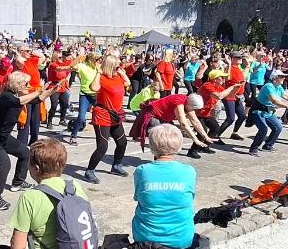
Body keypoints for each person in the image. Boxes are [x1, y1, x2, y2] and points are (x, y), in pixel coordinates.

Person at [0, 72, 52, 210]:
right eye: (26, 84)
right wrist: (37, 91)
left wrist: (50, 91)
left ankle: (18, 182)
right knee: (4, 164)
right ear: (17, 85)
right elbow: (18, 102)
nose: (28, 86)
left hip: (3, 137)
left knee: (25, 152)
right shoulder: (6, 96)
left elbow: (37, 100)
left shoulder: (19, 96)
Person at [130, 124, 198, 249]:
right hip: (181, 239)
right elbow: (189, 198)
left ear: (152, 146)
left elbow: (137, 197)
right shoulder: (189, 171)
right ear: (178, 145)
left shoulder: (142, 171)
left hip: (145, 236)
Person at [84, 55, 131, 183]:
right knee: (102, 146)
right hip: (102, 115)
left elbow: (128, 83)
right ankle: (89, 171)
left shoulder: (118, 77)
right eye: (116, 66)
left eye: (119, 66)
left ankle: (116, 166)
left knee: (122, 142)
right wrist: (99, 73)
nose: (119, 68)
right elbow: (94, 88)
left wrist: (121, 72)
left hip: (115, 115)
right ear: (110, 67)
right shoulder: (102, 78)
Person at [248, 69, 288, 157]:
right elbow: (274, 101)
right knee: (263, 129)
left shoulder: (278, 87)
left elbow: (286, 96)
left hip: (268, 112)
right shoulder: (268, 86)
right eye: (281, 77)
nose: (284, 78)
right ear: (275, 78)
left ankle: (268, 145)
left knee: (278, 127)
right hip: (258, 111)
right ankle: (253, 149)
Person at [142, 91, 214, 157]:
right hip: (153, 114)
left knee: (166, 138)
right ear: (189, 104)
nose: (194, 110)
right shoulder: (179, 103)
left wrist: (205, 136)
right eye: (193, 108)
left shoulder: (189, 101)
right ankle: (159, 161)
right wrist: (195, 140)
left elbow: (195, 121)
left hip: (163, 116)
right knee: (161, 139)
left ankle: (162, 160)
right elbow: (183, 124)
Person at [66, 51, 101, 145]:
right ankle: (73, 136)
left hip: (96, 95)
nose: (98, 61)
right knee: (81, 117)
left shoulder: (99, 67)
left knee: (100, 116)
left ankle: (102, 135)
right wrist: (78, 57)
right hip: (85, 95)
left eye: (99, 59)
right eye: (96, 59)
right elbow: (71, 66)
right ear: (90, 59)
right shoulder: (82, 66)